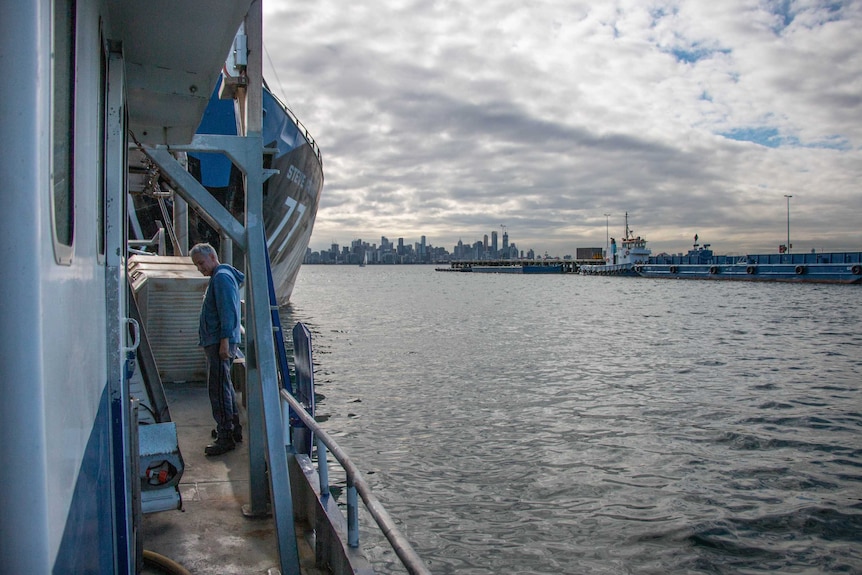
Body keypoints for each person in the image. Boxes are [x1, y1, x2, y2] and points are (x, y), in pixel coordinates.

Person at [190, 243, 244, 456]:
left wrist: (224, 342)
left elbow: (228, 311)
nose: (200, 268)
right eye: (197, 265)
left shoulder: (221, 277)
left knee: (218, 389)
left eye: (201, 263)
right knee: (225, 387)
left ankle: (226, 436)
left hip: (219, 342)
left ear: (213, 256)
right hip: (216, 341)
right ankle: (232, 429)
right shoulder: (220, 276)